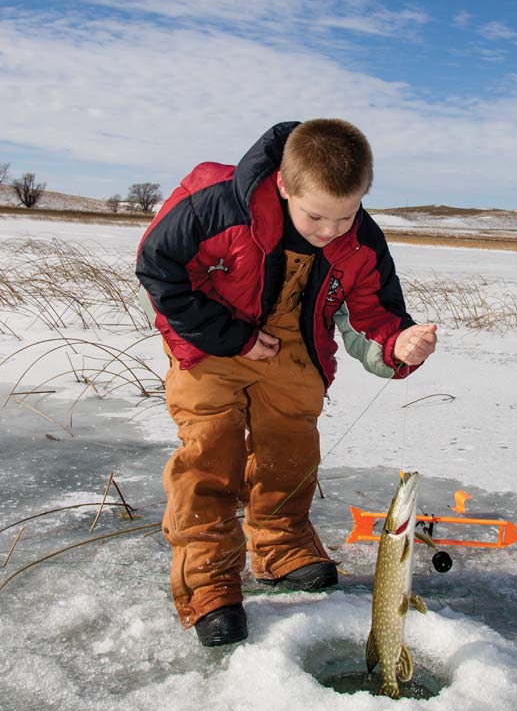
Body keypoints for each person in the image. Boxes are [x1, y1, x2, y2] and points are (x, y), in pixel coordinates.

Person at [136, 119, 437, 646]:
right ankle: (208, 581)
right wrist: (231, 337)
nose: (330, 230)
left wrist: (399, 343)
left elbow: (374, 312)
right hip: (211, 334)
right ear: (283, 184)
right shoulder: (215, 202)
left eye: (346, 215)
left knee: (291, 445)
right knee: (210, 451)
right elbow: (160, 271)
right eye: (316, 216)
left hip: (294, 341)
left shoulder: (360, 238)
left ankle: (282, 546)